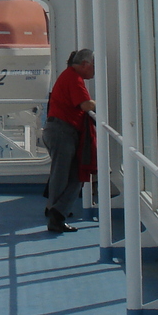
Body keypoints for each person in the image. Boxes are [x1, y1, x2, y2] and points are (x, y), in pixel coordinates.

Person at [43, 48, 96, 233]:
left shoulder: (70, 76)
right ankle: (55, 215)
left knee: (73, 175)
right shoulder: (74, 78)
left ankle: (56, 211)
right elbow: (86, 104)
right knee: (63, 175)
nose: (95, 70)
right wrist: (100, 103)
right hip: (62, 132)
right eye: (94, 65)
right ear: (85, 64)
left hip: (61, 131)